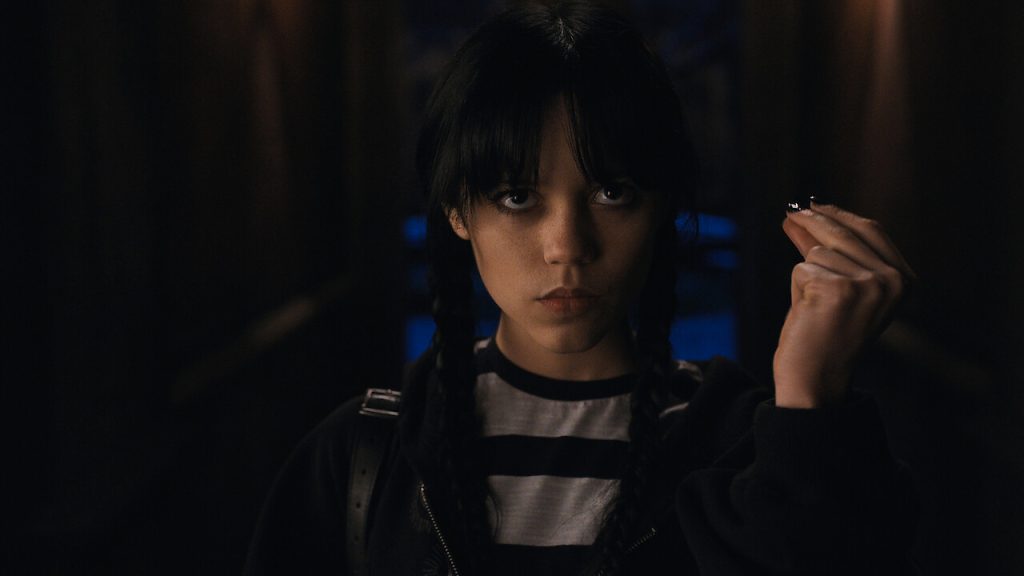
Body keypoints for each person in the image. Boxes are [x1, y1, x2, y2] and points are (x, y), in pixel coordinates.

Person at [245, 2, 918, 574]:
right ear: (457, 212)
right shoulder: (364, 459)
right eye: (517, 196)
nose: (567, 246)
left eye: (611, 192)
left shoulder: (747, 447)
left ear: (662, 208)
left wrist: (810, 400)